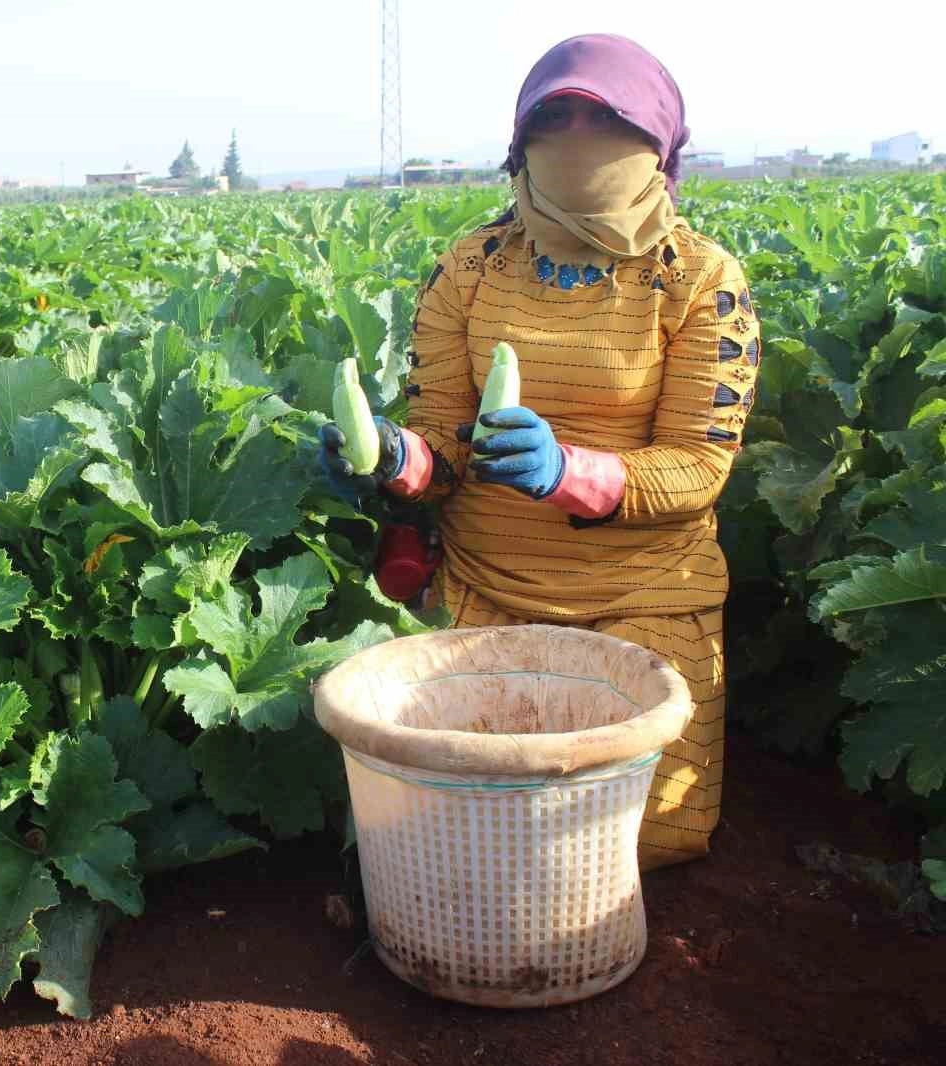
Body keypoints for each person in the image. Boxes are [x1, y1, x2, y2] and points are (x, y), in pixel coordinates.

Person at [320, 33, 761, 871]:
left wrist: (572, 472)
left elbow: (701, 467)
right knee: (459, 822)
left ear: (659, 142)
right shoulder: (473, 266)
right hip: (490, 592)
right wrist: (389, 459)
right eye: (554, 117)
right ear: (520, 141)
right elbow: (444, 448)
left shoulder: (701, 280)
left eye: (605, 120)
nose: (576, 138)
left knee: (648, 835)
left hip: (645, 601)